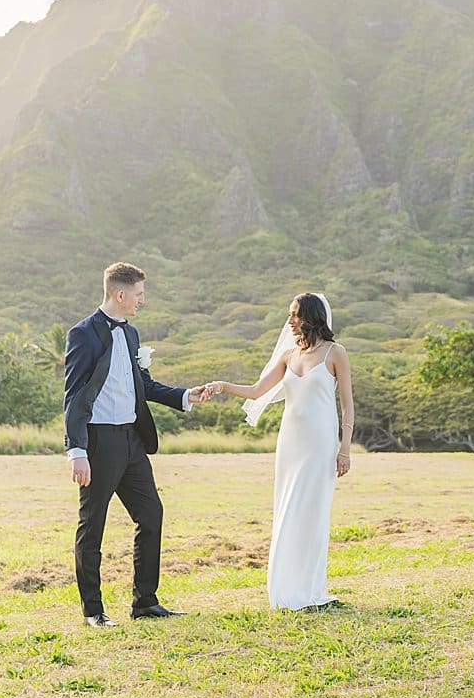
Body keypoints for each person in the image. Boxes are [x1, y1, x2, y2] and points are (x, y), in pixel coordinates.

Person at [63, 262, 210, 627]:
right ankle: (93, 612)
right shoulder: (83, 334)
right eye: (140, 294)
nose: (143, 301)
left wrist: (184, 396)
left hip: (132, 440)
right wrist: (77, 451)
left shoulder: (131, 335)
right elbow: (74, 396)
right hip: (98, 442)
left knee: (151, 515)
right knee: (93, 525)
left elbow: (143, 384)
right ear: (121, 294)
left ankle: (145, 601)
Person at [206, 293, 353, 610]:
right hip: (290, 445)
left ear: (311, 316)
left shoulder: (335, 353)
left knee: (313, 514)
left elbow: (347, 405)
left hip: (321, 445)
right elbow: (257, 390)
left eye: (295, 314)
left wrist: (345, 448)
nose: (290, 321)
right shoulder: (288, 356)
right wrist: (222, 386)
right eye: (290, 314)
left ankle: (312, 590)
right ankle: (287, 591)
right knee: (287, 510)